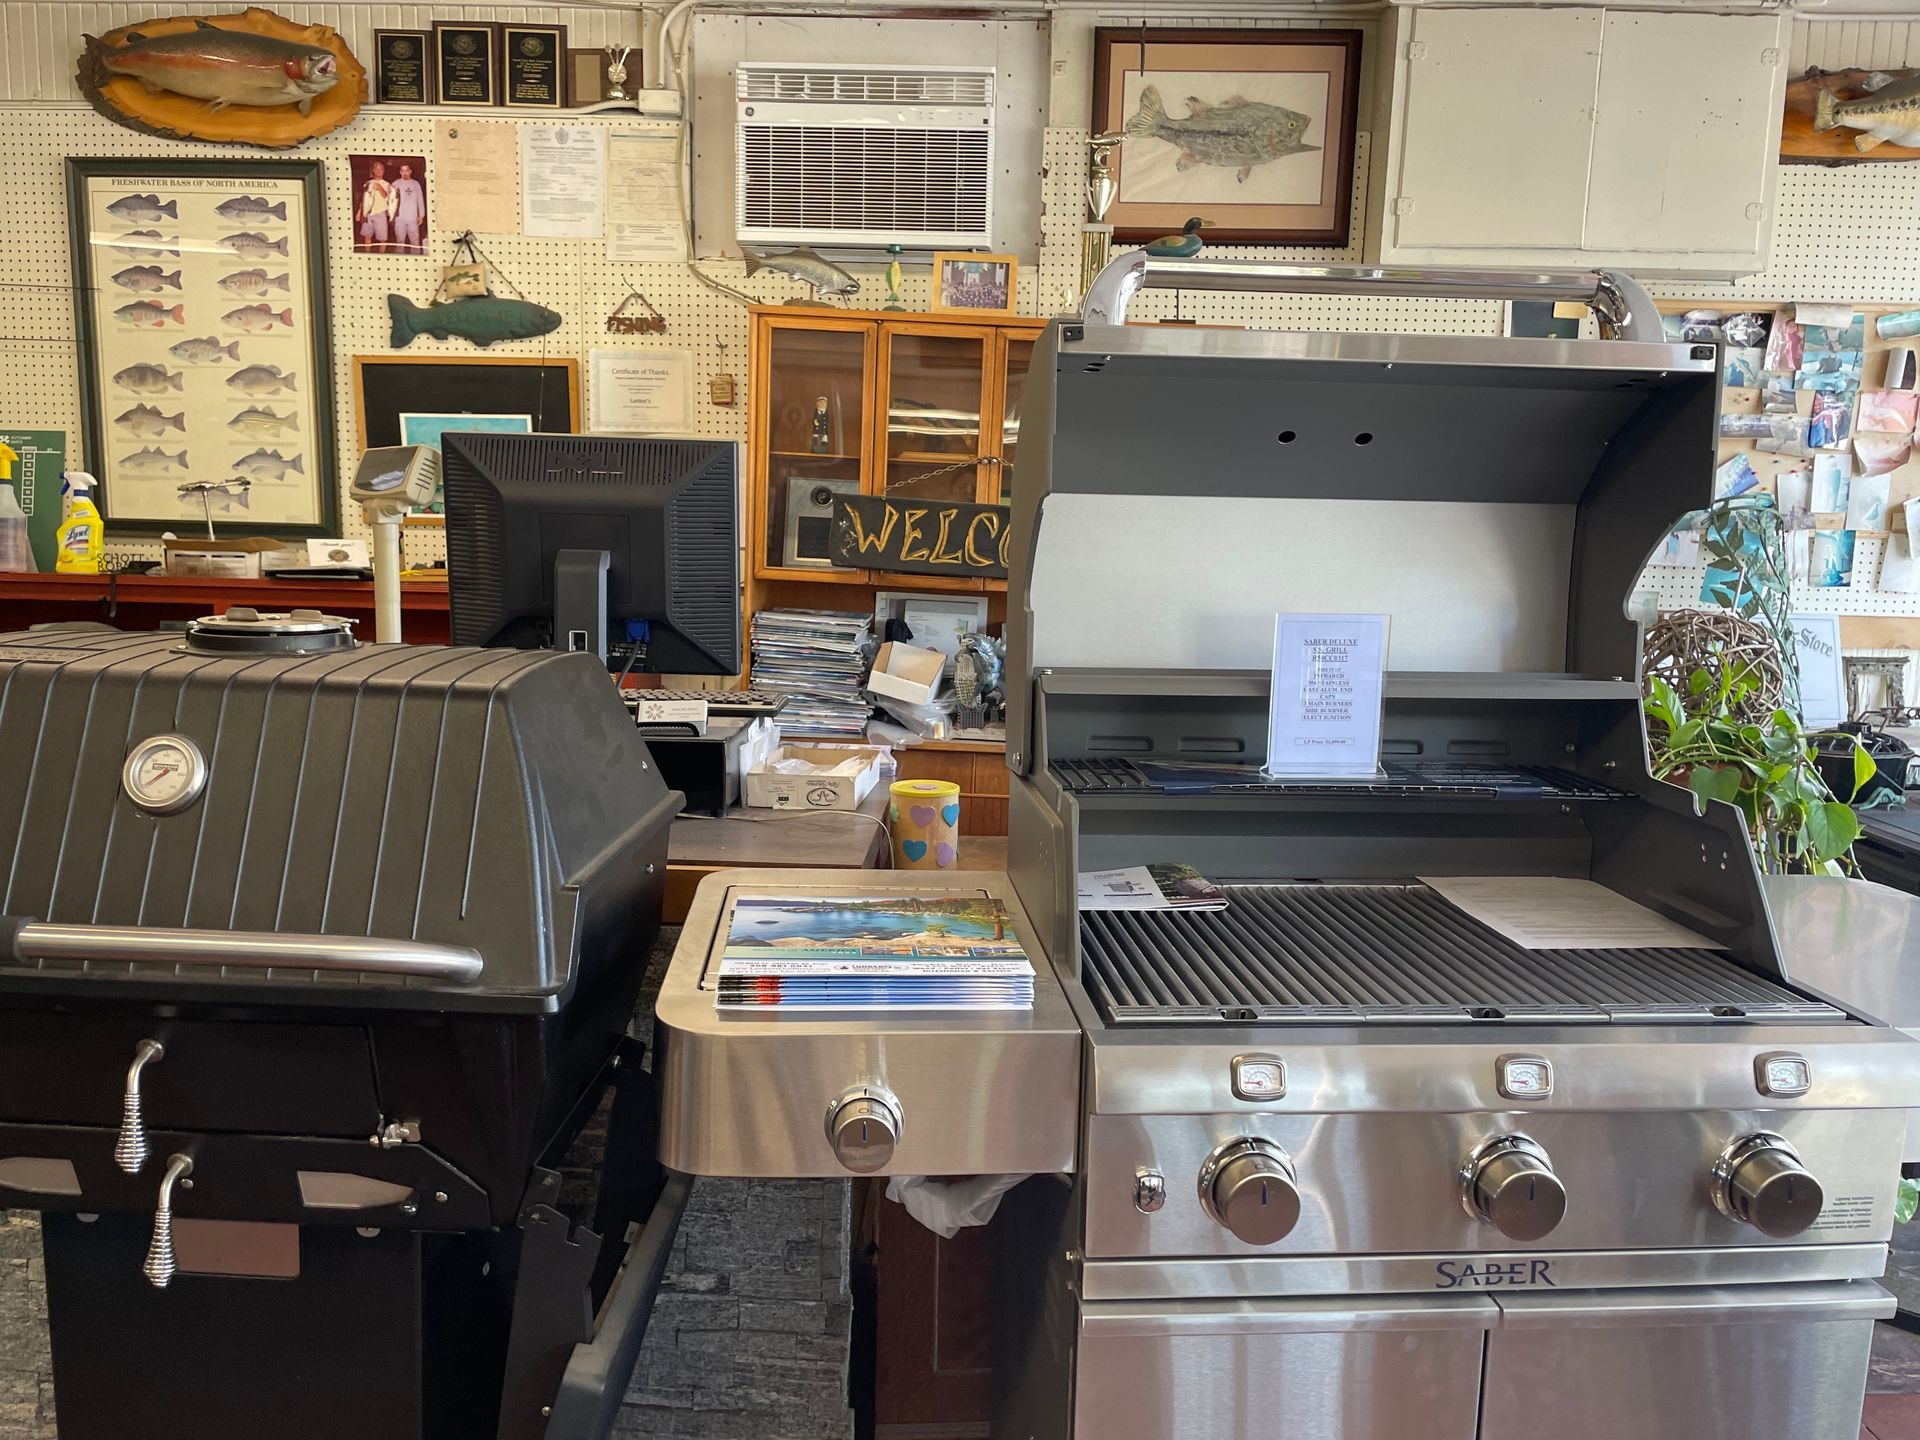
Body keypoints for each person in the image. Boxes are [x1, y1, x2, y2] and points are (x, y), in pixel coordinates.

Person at [357, 161, 395, 254]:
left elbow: (387, 197)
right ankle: (367, 255)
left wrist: (380, 188)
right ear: (373, 170)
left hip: (381, 214)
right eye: (376, 169)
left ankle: (381, 257)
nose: (378, 171)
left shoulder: (388, 184)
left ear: (383, 171)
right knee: (367, 236)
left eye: (381, 169)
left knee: (383, 239)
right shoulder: (367, 183)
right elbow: (363, 199)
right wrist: (359, 212)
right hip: (368, 214)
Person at [392, 163, 426, 255]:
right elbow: (390, 201)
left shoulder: (416, 184)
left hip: (413, 218)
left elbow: (420, 199)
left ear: (410, 171)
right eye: (403, 171)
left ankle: (416, 260)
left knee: (415, 242)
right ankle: (399, 261)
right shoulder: (395, 184)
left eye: (407, 170)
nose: (405, 173)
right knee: (399, 241)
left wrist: (421, 215)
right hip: (399, 218)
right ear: (400, 172)